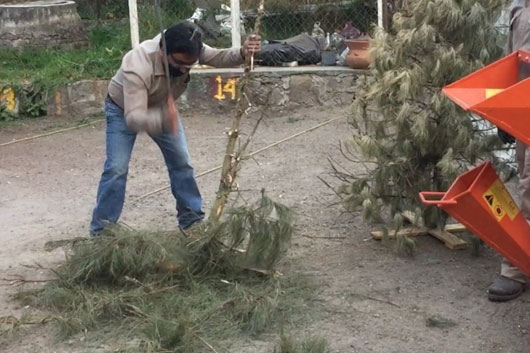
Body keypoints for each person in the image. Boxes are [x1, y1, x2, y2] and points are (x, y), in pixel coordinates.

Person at [89, 23, 261, 235]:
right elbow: (134, 119)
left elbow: (219, 57)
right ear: (163, 51)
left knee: (182, 162)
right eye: (179, 64)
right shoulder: (137, 65)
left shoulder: (189, 46)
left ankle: (191, 221)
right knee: (116, 169)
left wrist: (244, 52)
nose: (184, 70)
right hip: (124, 109)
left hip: (161, 106)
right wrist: (164, 119)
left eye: (190, 65)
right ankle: (102, 232)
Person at [488, 0, 529, 302]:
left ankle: (515, 269)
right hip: (524, 109)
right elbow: (513, 59)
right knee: (525, 184)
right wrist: (504, 108)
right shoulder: (519, 6)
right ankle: (519, 264)